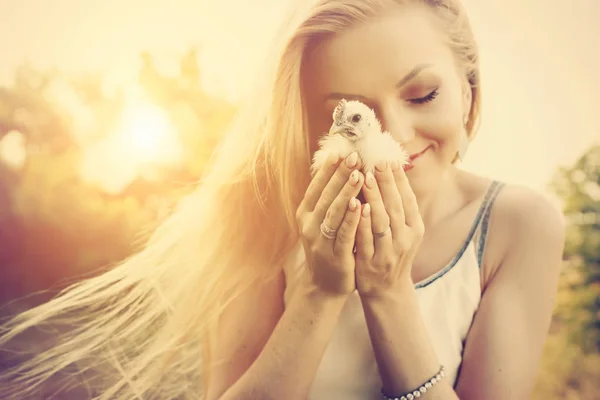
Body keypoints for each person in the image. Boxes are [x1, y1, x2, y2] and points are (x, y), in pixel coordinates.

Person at [0, 0, 566, 399]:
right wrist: (320, 292)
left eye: (422, 94)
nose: (390, 135)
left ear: (468, 91)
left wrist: (389, 292)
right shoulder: (260, 212)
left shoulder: (518, 226)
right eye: (351, 117)